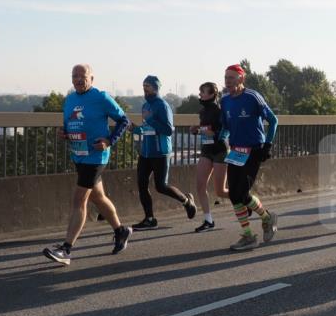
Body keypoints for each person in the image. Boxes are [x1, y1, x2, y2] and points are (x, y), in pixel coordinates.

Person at [43, 64, 133, 265]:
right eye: (74, 76)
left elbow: (124, 120)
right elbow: (70, 125)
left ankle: (66, 249)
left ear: (92, 78)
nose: (78, 79)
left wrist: (109, 140)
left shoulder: (101, 97)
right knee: (98, 197)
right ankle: (121, 230)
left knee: (79, 201)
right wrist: (63, 133)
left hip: (96, 156)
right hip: (79, 155)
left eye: (82, 76)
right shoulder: (70, 99)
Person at [221, 64, 279, 252]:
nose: (227, 81)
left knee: (242, 194)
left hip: (254, 150)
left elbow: (273, 120)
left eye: (231, 78)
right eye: (226, 78)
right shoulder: (225, 101)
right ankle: (249, 235)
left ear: (241, 79)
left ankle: (266, 217)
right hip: (236, 151)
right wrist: (212, 135)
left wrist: (268, 144)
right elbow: (226, 126)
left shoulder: (253, 96)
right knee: (233, 195)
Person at [132, 75, 196, 230]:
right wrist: (135, 129)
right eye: (143, 85)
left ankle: (186, 201)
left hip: (161, 152)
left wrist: (151, 120)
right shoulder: (145, 105)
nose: (144, 88)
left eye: (147, 86)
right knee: (142, 184)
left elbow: (168, 130)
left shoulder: (162, 105)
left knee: (161, 186)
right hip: (146, 152)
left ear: (155, 87)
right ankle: (150, 219)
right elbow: (147, 127)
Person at [191, 82, 229, 232]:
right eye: (200, 91)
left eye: (203, 92)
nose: (200, 94)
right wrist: (196, 130)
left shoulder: (220, 111)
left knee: (220, 191)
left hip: (220, 150)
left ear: (212, 94)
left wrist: (206, 132)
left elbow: (221, 132)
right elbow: (205, 130)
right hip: (207, 150)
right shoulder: (202, 111)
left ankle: (243, 200)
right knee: (200, 186)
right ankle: (208, 220)